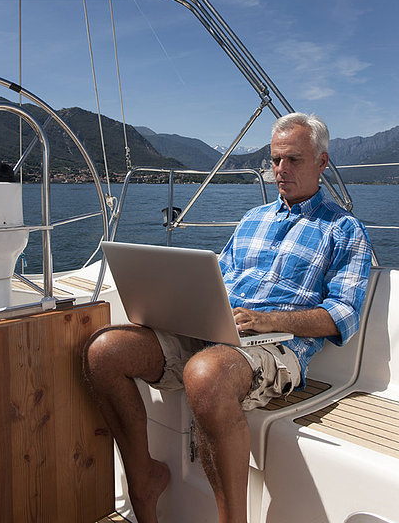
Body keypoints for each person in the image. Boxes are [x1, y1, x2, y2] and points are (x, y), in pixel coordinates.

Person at [83, 112, 372, 523]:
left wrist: (271, 321)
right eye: (274, 160)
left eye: (293, 160)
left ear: (322, 162)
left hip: (275, 347)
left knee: (206, 373)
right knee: (105, 350)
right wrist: (176, 304)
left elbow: (342, 315)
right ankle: (143, 478)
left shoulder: (344, 231)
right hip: (214, 330)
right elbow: (218, 279)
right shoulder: (252, 220)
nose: (280, 171)